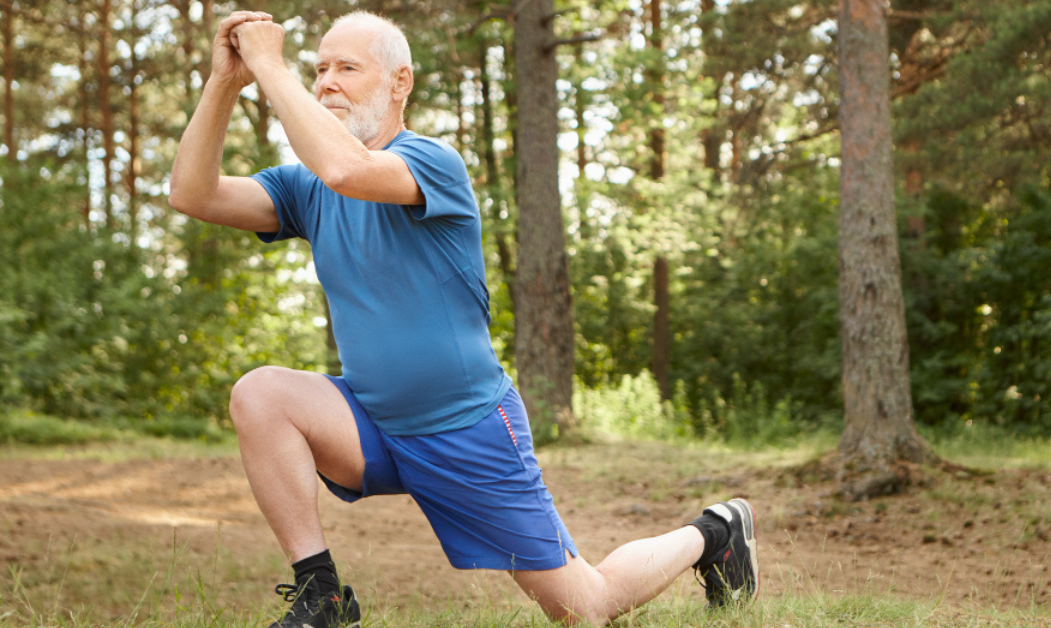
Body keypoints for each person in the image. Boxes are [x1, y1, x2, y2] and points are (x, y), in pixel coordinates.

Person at [168, 9, 759, 628]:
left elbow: (346, 169)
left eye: (347, 68)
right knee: (260, 393)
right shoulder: (303, 189)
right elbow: (192, 194)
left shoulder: (430, 163)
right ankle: (323, 595)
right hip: (371, 424)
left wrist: (269, 65)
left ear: (400, 83)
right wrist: (225, 83)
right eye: (318, 70)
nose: (326, 83)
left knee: (586, 607)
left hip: (466, 429)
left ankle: (714, 533)